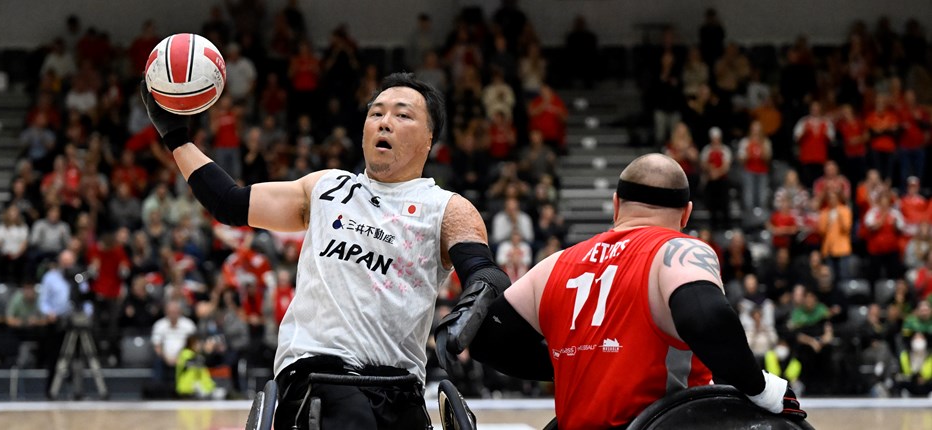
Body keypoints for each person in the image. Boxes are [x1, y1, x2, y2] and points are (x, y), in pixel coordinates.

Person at [141, 72, 508, 429]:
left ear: (429, 139)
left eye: (402, 114)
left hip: (400, 387)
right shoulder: (327, 188)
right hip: (318, 376)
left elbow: (486, 273)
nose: (384, 122)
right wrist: (175, 137)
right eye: (376, 113)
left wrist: (466, 314)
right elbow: (229, 203)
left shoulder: (445, 207)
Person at [441, 154, 806, 429]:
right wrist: (761, 387)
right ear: (687, 213)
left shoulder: (555, 264)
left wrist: (581, 363)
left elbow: (487, 342)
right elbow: (706, 317)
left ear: (616, 205)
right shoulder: (680, 249)